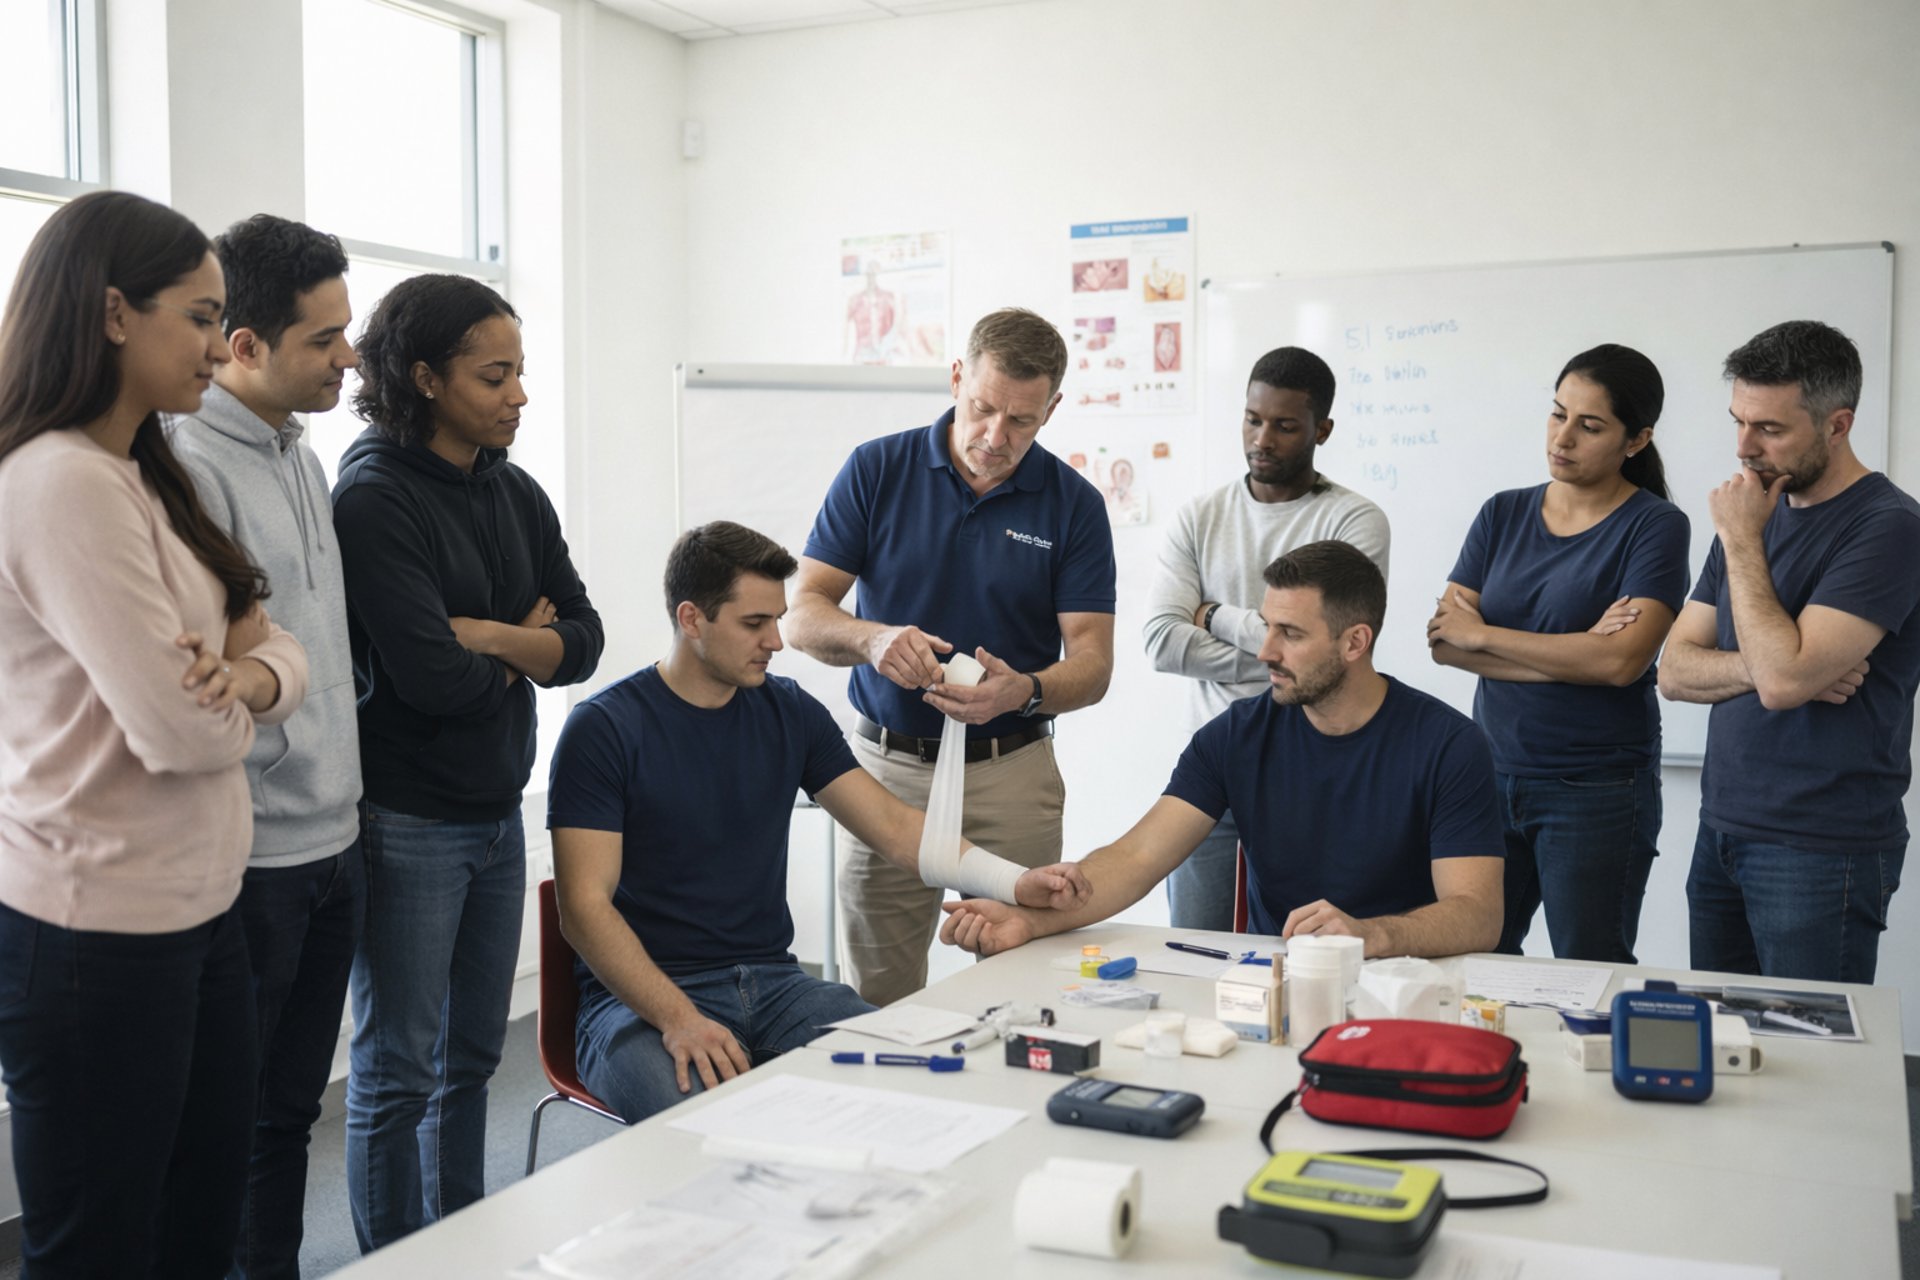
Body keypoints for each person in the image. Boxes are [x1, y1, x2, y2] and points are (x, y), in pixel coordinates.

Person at [0, 191, 309, 1277]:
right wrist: (239, 688)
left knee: (193, 1229)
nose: (218, 341)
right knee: (101, 1249)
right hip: (97, 933)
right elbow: (182, 736)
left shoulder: (144, 470)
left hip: (197, 911)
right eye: (198, 313)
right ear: (115, 312)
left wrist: (245, 678)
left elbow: (280, 647)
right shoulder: (57, 484)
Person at [549, 522, 1090, 1120]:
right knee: (712, 1127)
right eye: (754, 624)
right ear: (691, 618)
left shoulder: (788, 712)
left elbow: (896, 829)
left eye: (778, 619)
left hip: (776, 988)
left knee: (919, 1088)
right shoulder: (603, 730)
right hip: (641, 1005)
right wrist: (678, 1019)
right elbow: (583, 907)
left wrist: (1018, 883)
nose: (776, 641)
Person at [333, 274, 604, 1249]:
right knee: (398, 1066)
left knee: (473, 1056)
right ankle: (394, 1258)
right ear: (424, 377)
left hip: (496, 811)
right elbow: (433, 682)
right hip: (407, 819)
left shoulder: (512, 487)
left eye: (521, 371)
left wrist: (487, 634)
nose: (519, 393)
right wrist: (516, 644)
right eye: (496, 375)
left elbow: (584, 638)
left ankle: (460, 1244)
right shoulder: (371, 496)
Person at [943, 541, 1503, 961]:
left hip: (1409, 982)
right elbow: (1137, 859)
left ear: (1355, 641)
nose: (1264, 651)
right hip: (1284, 982)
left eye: (1291, 633)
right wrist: (1029, 921)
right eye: (1266, 626)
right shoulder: (1235, 735)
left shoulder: (1449, 745)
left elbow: (1478, 915)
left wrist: (1372, 934)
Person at [788, 307, 1117, 1006]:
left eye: (1021, 422)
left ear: (1052, 410)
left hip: (1010, 771)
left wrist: (1022, 689)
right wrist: (871, 639)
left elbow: (1093, 664)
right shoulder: (877, 469)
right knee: (877, 996)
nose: (995, 438)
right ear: (957, 377)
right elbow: (803, 615)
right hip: (887, 771)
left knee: (1021, 988)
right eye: (982, 409)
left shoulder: (1074, 505)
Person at [164, 213, 365, 1279]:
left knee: (287, 1114)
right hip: (253, 859)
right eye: (325, 339)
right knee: (233, 1126)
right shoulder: (186, 469)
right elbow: (206, 676)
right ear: (243, 344)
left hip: (333, 838)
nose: (349, 358)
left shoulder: (303, 454)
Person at [1658, 320, 1920, 983]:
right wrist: (1772, 666)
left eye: (1770, 429)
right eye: (1738, 421)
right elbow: (1673, 671)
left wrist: (1743, 543)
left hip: (1823, 847)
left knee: (1814, 1065)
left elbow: (1782, 684)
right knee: (1726, 1050)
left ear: (1837, 426)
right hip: (1723, 827)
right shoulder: (1750, 512)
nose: (1745, 448)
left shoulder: (1889, 528)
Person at [1428, 345, 1690, 963]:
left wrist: (1486, 635)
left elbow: (1621, 663)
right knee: (1475, 958)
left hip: (1595, 789)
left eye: (1589, 425)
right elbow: (1443, 643)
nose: (1562, 437)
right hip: (1487, 777)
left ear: (1636, 440)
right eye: (1557, 414)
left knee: (1589, 967)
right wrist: (1575, 653)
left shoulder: (1655, 526)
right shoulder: (1502, 512)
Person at [1142, 346, 1389, 931]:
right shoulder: (1198, 517)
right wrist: (1288, 649)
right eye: (1253, 420)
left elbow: (1335, 653)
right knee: (1194, 944)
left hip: (1311, 762)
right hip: (1212, 760)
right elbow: (1160, 643)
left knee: (1301, 944)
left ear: (1321, 430)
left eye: (1284, 426)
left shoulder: (1354, 521)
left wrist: (1213, 616)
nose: (1262, 439)